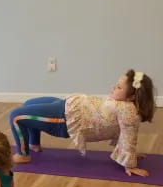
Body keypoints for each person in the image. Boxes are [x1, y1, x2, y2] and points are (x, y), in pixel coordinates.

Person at [10, 69, 156, 177]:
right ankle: (34, 145)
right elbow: (124, 132)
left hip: (64, 120)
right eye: (116, 84)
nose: (113, 87)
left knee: (15, 116)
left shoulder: (128, 112)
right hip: (67, 106)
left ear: (131, 97)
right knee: (28, 104)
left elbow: (129, 135)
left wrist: (130, 163)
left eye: (118, 87)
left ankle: (23, 155)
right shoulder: (126, 104)